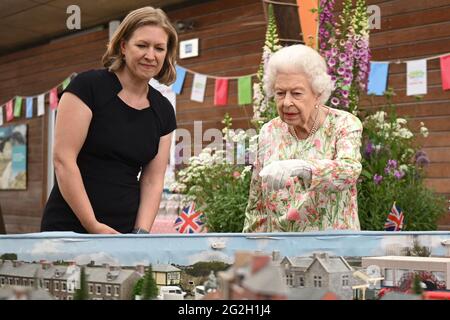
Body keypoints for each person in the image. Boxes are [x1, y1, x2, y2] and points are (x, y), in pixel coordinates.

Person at [41, 7, 178, 234]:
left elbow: (153, 179)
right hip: (70, 227)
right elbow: (63, 160)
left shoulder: (163, 110)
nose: (150, 55)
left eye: (159, 48)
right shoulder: (87, 87)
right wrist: (93, 225)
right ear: (123, 46)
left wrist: (141, 232)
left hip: (124, 232)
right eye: (142, 45)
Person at [243, 44, 363, 233]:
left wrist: (304, 168)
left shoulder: (344, 123)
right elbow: (257, 202)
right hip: (280, 250)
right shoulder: (269, 131)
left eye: (297, 93)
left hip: (334, 249)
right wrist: (250, 253)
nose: (287, 102)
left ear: (318, 93)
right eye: (280, 93)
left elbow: (349, 170)